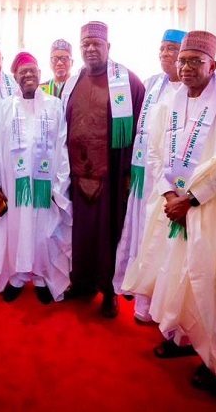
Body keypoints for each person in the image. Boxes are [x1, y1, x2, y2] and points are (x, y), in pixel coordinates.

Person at [130, 31, 216, 396]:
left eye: (196, 60)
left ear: (213, 65)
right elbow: (155, 153)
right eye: (183, 60)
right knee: (171, 272)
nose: (188, 67)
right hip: (171, 205)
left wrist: (191, 198)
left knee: (202, 281)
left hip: (207, 210)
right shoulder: (168, 102)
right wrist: (168, 193)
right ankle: (179, 337)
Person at [61, 21, 145, 317]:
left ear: (108, 47)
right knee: (78, 234)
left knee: (110, 233)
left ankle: (108, 291)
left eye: (96, 44)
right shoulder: (72, 82)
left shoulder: (128, 82)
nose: (90, 49)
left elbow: (139, 132)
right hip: (76, 174)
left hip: (110, 176)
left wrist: (127, 174)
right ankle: (80, 283)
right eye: (85, 44)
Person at [0, 52, 72, 304]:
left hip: (44, 183)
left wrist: (60, 183)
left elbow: (62, 144)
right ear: (15, 76)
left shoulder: (54, 105)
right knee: (16, 230)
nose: (28, 75)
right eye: (23, 72)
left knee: (44, 230)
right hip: (14, 185)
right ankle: (17, 277)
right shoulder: (3, 107)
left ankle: (40, 278)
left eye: (33, 71)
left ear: (39, 75)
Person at [118, 29, 185, 323]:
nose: (164, 55)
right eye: (161, 49)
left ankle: (157, 301)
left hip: (170, 181)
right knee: (140, 232)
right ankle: (138, 285)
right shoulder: (152, 84)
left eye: (171, 49)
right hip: (143, 172)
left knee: (160, 238)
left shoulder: (192, 89)